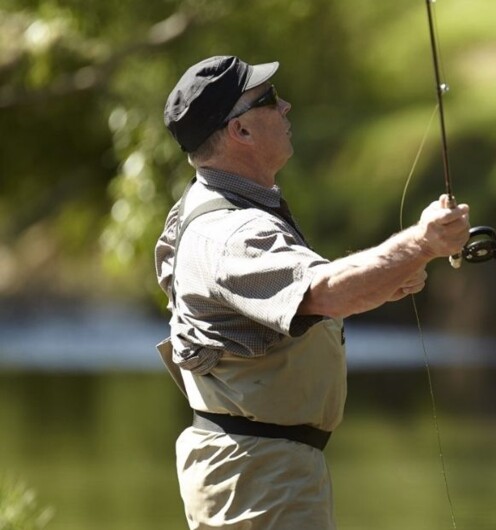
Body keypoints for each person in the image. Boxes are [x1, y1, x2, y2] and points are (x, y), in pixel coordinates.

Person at [154, 55, 470, 529]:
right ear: (240, 131)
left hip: (261, 470)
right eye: (268, 99)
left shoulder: (217, 208)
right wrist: (420, 243)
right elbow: (323, 291)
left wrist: (386, 275)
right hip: (259, 480)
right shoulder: (231, 233)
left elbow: (284, 301)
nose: (286, 106)